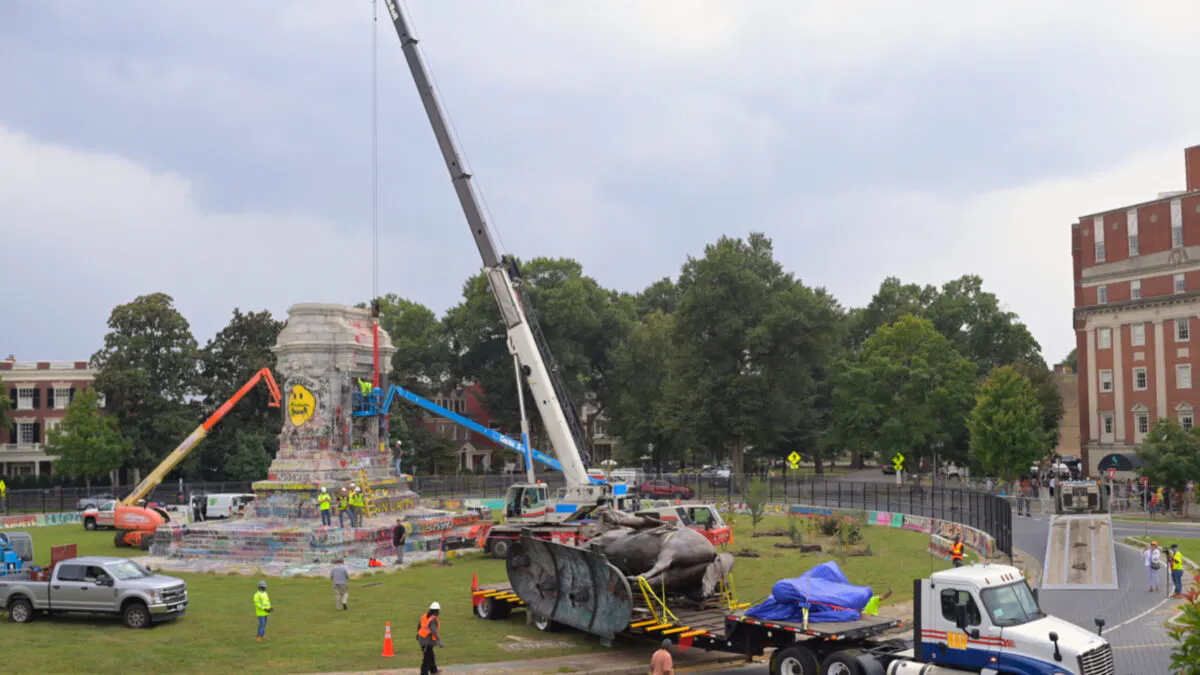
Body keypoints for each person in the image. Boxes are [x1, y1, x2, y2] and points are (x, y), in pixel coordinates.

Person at [417, 601, 442, 675]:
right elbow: (434, 631)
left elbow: (419, 626)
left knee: (431, 655)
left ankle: (433, 670)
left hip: (422, 639)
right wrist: (439, 640)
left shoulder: (424, 616)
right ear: (436, 611)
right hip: (426, 641)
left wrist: (418, 634)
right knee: (427, 658)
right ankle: (424, 672)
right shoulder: (433, 620)